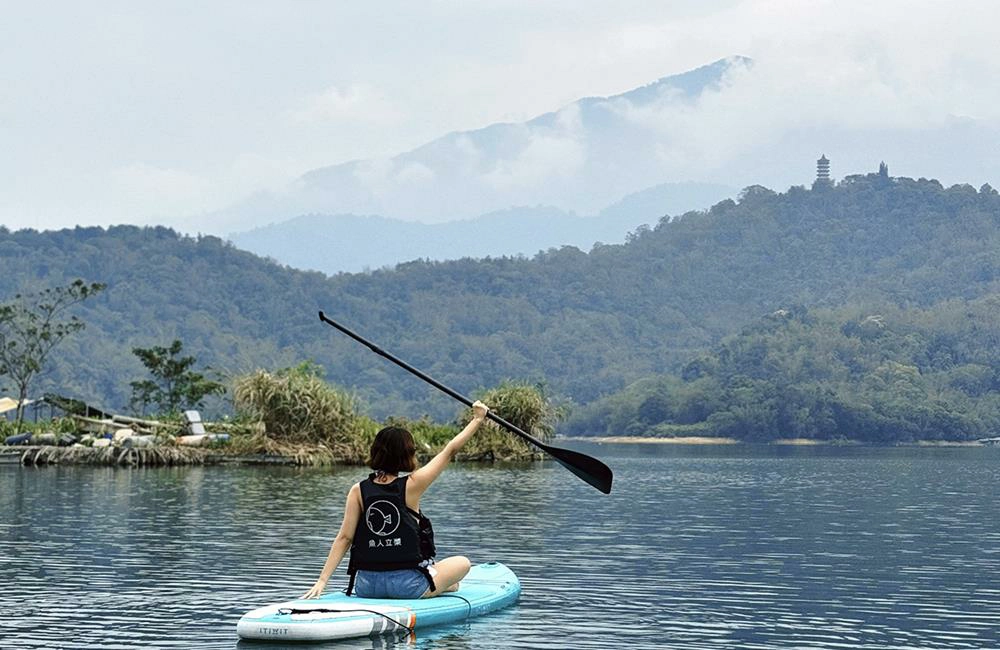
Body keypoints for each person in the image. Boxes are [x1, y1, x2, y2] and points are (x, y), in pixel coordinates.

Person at [303, 400, 489, 600]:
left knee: (444, 577)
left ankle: (446, 584)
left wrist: (322, 581)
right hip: (408, 587)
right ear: (406, 455)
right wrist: (478, 418)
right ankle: (445, 585)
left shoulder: (358, 490)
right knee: (463, 563)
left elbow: (344, 538)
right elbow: (449, 450)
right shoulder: (413, 484)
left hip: (366, 587)